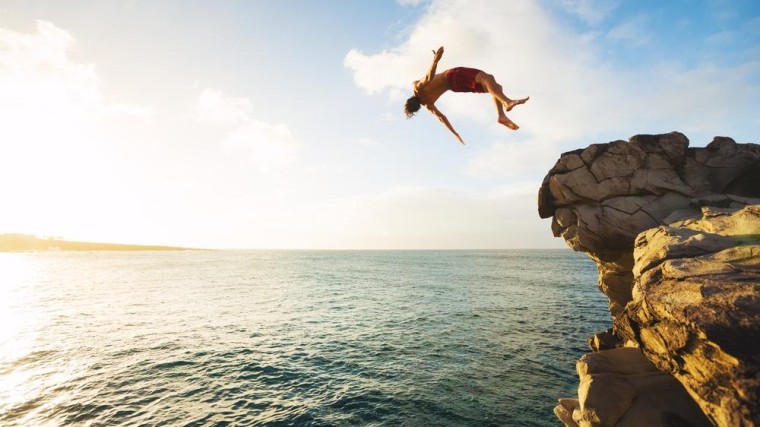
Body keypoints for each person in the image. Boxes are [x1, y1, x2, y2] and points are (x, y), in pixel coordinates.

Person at [404, 46, 529, 145]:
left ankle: (501, 116)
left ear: (418, 107)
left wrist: (455, 134)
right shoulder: (417, 87)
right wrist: (435, 60)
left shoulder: (428, 104)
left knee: (495, 87)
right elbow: (428, 77)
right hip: (452, 75)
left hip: (456, 87)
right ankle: (507, 102)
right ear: (410, 98)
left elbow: (442, 118)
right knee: (487, 78)